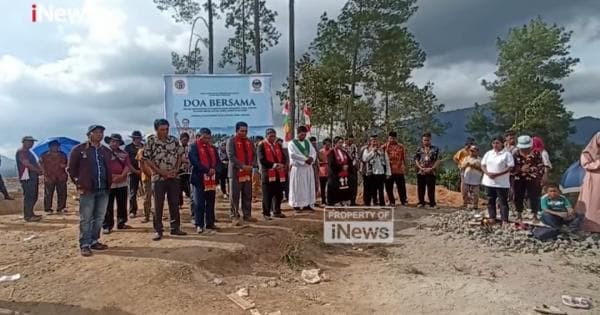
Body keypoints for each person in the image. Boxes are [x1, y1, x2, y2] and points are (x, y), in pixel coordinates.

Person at [68, 125, 112, 257]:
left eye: (101, 132)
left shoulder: (105, 150)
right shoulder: (79, 150)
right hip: (87, 189)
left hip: (103, 188)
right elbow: (71, 169)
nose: (100, 134)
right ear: (89, 134)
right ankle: (85, 244)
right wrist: (79, 183)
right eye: (96, 132)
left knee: (99, 217)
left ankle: (94, 240)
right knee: (86, 217)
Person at [143, 119, 187, 241]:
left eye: (167, 129)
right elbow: (147, 160)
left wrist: (176, 170)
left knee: (174, 203)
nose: (165, 132)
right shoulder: (150, 141)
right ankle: (158, 230)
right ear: (156, 129)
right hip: (158, 178)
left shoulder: (173, 140)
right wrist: (161, 172)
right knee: (158, 205)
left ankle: (175, 228)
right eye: (162, 129)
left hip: (174, 177)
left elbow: (179, 155)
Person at [189, 128, 220, 233]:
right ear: (199, 137)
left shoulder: (213, 148)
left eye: (208, 137)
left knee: (210, 202)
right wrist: (207, 170)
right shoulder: (193, 147)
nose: (206, 139)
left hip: (211, 179)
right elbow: (194, 161)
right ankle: (199, 224)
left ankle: (210, 223)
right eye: (204, 137)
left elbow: (218, 162)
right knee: (199, 202)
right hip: (199, 178)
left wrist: (213, 169)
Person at [226, 121, 256, 224]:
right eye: (242, 131)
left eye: (246, 131)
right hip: (235, 173)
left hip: (247, 172)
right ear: (236, 130)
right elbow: (231, 156)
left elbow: (254, 155)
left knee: (247, 194)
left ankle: (247, 215)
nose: (244, 133)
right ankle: (234, 216)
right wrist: (242, 166)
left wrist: (251, 165)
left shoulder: (250, 141)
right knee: (234, 195)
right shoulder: (231, 140)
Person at [481, 136, 514, 227]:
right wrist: (487, 173)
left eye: (497, 143)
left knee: (503, 201)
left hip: (501, 182)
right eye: (494, 143)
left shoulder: (507, 154)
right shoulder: (488, 153)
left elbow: (510, 167)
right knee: (490, 200)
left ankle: (504, 220)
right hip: (489, 181)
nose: (495, 145)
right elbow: (483, 165)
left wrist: (498, 174)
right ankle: (492, 217)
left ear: (502, 143)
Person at [103, 133, 132, 233]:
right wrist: (111, 176)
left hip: (122, 182)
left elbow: (127, 166)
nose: (115, 143)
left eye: (117, 141)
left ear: (120, 143)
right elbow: (103, 166)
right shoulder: (104, 153)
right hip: (108, 182)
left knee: (122, 203)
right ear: (109, 142)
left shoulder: (124, 154)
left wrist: (122, 176)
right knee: (108, 205)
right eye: (113, 141)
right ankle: (107, 225)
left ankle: (121, 222)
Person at [512, 135, 544, 223]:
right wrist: (520, 169)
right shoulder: (515, 154)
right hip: (518, 178)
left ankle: (535, 215)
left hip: (533, 178)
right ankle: (519, 214)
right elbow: (511, 167)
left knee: (534, 196)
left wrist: (533, 169)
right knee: (518, 196)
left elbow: (541, 166)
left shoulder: (536, 153)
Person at [257, 128, 288, 220]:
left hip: (278, 173)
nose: (273, 138)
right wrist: (274, 165)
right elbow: (262, 159)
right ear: (266, 136)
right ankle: (266, 213)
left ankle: (277, 211)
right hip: (267, 173)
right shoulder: (261, 145)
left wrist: (281, 164)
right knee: (267, 194)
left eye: (274, 136)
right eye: (270, 136)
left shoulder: (278, 145)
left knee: (278, 194)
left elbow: (283, 156)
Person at [288, 126, 317, 212]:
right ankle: (296, 205)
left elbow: (313, 152)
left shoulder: (308, 142)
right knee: (298, 187)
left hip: (308, 168)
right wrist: (305, 160)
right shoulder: (292, 143)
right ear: (298, 134)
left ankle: (307, 204)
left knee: (308, 186)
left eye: (305, 134)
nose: (303, 136)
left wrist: (312, 159)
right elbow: (292, 155)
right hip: (298, 169)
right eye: (302, 134)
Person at [577, 132, 600, 232]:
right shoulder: (587, 153)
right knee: (593, 202)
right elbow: (586, 164)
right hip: (594, 178)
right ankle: (592, 226)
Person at [16, 136, 43, 222]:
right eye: (29, 142)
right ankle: (28, 216)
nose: (31, 144)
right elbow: (26, 164)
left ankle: (30, 213)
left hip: (32, 176)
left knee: (33, 196)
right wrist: (37, 170)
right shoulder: (22, 152)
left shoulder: (28, 152)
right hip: (27, 177)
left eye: (32, 142)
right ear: (24, 142)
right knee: (29, 196)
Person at [39, 140, 68, 214]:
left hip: (61, 176)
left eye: (57, 146)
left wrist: (64, 165)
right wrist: (45, 175)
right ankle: (48, 209)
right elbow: (41, 166)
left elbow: (67, 164)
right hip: (49, 176)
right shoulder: (44, 155)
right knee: (48, 193)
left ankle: (61, 208)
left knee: (62, 193)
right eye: (54, 146)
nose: (55, 147)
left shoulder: (63, 155)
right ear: (50, 147)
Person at [414, 132, 441, 208]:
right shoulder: (419, 149)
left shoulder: (435, 149)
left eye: (427, 140)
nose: (426, 141)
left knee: (431, 188)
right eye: (424, 140)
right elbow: (416, 160)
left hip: (431, 171)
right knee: (420, 188)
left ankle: (432, 203)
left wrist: (432, 168)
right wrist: (420, 168)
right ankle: (421, 202)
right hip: (421, 171)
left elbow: (438, 160)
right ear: (422, 140)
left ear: (430, 140)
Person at [362, 135, 391, 206]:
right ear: (370, 141)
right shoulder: (367, 149)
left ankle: (382, 204)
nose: (375, 142)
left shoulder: (382, 149)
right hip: (371, 172)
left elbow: (387, 161)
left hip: (381, 172)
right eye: (373, 141)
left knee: (381, 189)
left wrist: (388, 173)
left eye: (376, 140)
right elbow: (365, 159)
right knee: (372, 189)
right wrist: (372, 152)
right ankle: (372, 202)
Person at [327, 136, 354, 206]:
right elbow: (331, 163)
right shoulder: (331, 152)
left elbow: (349, 161)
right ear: (335, 143)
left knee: (345, 187)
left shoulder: (344, 152)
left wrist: (348, 166)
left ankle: (344, 200)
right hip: (336, 174)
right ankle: (335, 201)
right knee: (336, 188)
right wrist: (341, 167)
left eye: (342, 142)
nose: (341, 144)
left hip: (345, 174)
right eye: (339, 143)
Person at [383, 132, 408, 206]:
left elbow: (404, 158)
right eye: (390, 138)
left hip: (399, 170)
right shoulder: (385, 146)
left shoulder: (401, 146)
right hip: (388, 171)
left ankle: (404, 201)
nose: (392, 140)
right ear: (388, 138)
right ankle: (392, 201)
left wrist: (406, 167)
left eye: (393, 138)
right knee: (388, 187)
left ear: (396, 138)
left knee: (401, 187)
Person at [125, 131, 144, 218]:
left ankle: (148, 209)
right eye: (135, 138)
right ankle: (133, 211)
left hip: (145, 172)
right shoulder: (128, 148)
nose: (137, 139)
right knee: (133, 192)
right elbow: (127, 162)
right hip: (132, 172)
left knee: (148, 192)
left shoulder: (145, 146)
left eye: (139, 138)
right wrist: (135, 171)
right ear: (133, 138)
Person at [453, 138, 475, 208]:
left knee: (472, 183)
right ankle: (464, 198)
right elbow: (455, 158)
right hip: (463, 168)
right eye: (467, 144)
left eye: (470, 144)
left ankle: (471, 198)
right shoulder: (462, 151)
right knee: (464, 182)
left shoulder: (473, 151)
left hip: (472, 169)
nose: (468, 145)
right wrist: (459, 164)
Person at [460, 145, 483, 210]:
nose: (471, 152)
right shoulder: (466, 158)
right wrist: (466, 165)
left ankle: (475, 205)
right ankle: (465, 204)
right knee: (465, 192)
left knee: (476, 193)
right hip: (466, 178)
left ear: (477, 151)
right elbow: (461, 167)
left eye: (473, 150)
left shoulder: (480, 159)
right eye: (470, 150)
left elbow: (483, 169)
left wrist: (474, 166)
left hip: (476, 179)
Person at [136, 145, 152, 223]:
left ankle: (158, 215)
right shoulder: (141, 151)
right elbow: (141, 166)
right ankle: (147, 216)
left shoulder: (156, 149)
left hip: (157, 176)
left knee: (158, 198)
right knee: (147, 197)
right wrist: (149, 174)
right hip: (147, 178)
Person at [343, 136, 359, 205]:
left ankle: (353, 201)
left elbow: (356, 157)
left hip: (353, 168)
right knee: (346, 185)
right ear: (346, 140)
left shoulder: (354, 147)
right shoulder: (343, 147)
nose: (350, 142)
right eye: (349, 140)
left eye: (352, 140)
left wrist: (355, 165)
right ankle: (345, 201)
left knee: (354, 185)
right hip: (345, 168)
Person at [178, 132, 192, 210]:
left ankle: (192, 201)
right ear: (180, 140)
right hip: (179, 171)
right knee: (179, 188)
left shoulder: (190, 148)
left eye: (186, 140)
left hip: (188, 171)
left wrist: (189, 163)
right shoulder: (177, 148)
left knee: (188, 188)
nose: (185, 141)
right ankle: (180, 204)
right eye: (183, 140)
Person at [318, 138, 332, 206]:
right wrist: (325, 162)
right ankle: (323, 201)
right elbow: (318, 162)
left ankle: (330, 200)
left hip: (330, 172)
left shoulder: (331, 151)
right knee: (322, 188)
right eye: (326, 144)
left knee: (330, 187)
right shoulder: (320, 152)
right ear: (323, 145)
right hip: (322, 172)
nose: (327, 145)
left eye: (329, 144)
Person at [309, 136, 321, 203]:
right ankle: (310, 200)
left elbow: (319, 158)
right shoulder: (307, 149)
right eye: (312, 143)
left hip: (315, 168)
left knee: (316, 184)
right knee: (311, 184)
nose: (314, 144)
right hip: (310, 168)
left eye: (315, 143)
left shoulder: (316, 150)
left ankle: (314, 200)